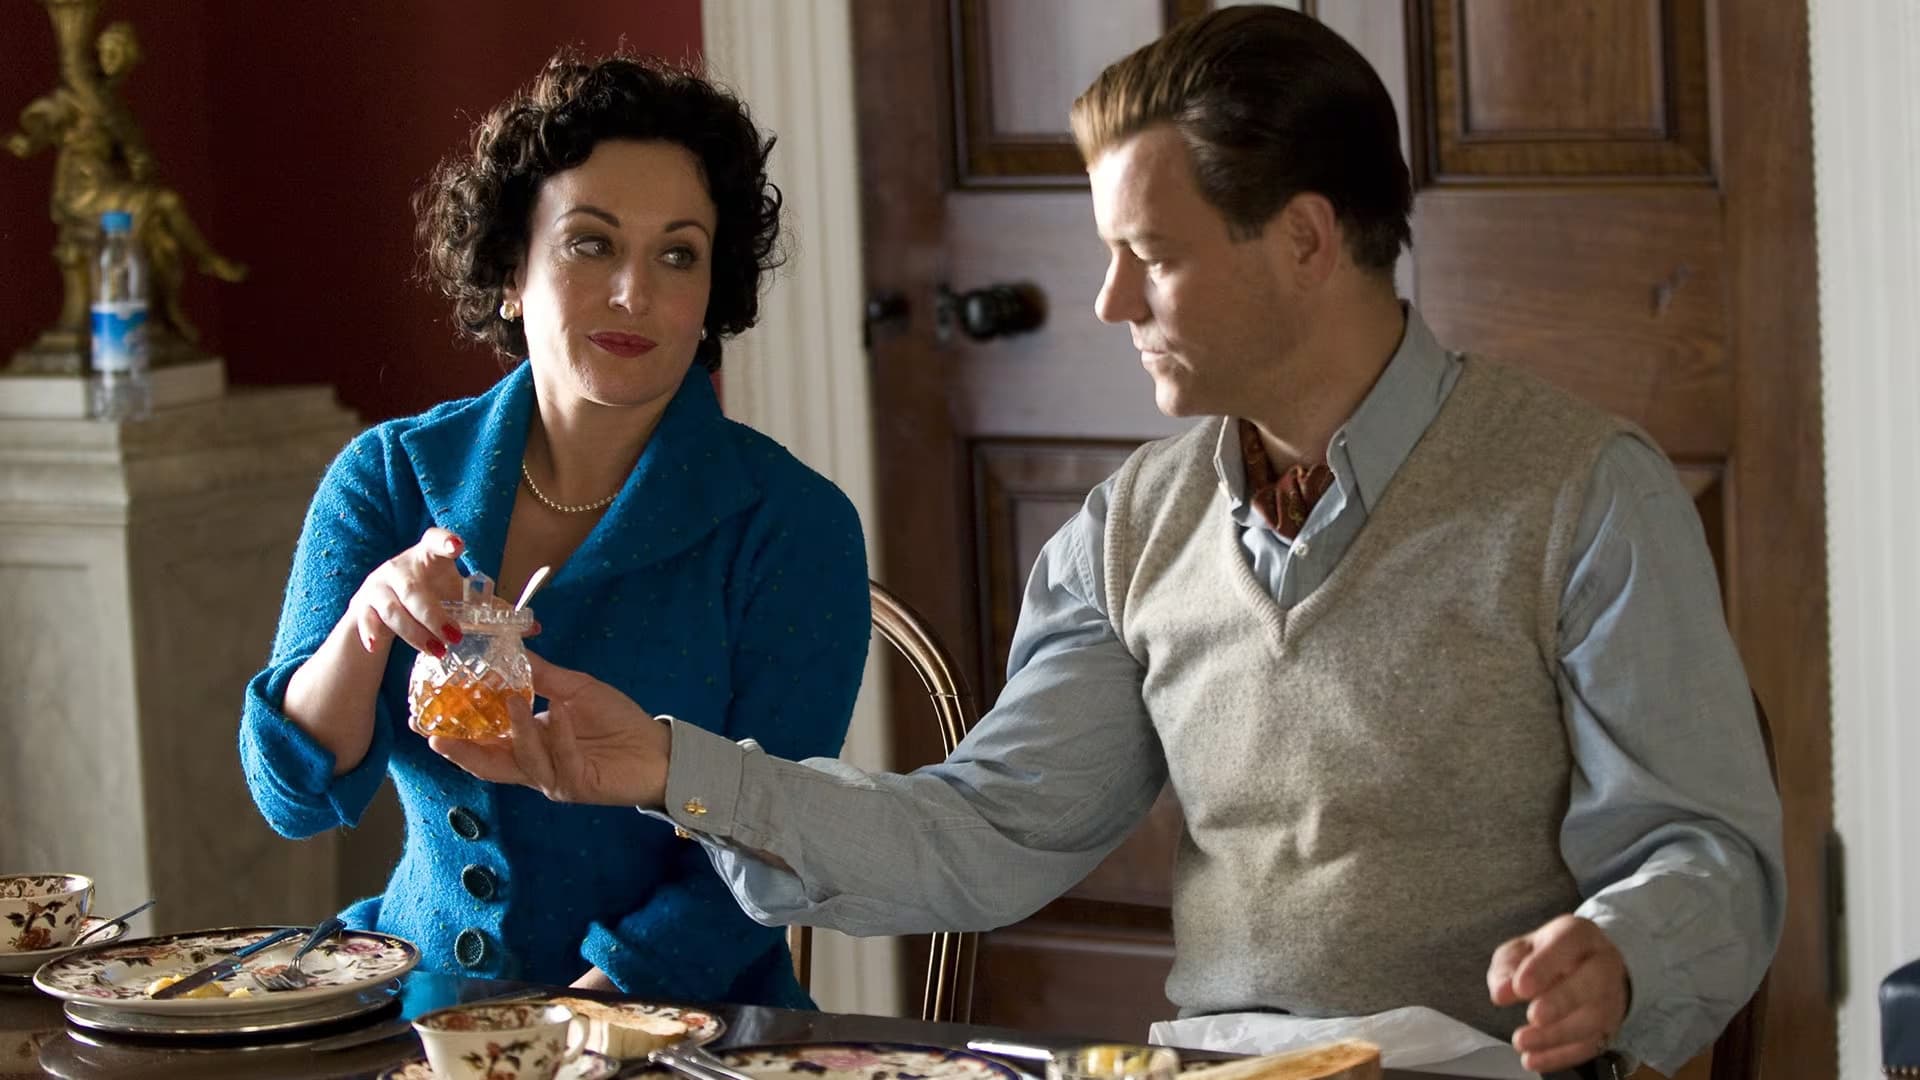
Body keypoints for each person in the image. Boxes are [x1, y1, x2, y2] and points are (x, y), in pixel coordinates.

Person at [434, 9, 1784, 1076]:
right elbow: (986, 833)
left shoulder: (1581, 492)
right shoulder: (1130, 528)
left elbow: (1706, 855)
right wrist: (674, 769)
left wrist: (1618, 952)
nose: (1109, 299)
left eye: (1153, 254)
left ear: (1305, 240)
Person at [238, 50, 870, 1008]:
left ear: (713, 292)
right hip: (412, 1004)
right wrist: (367, 623)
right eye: (590, 244)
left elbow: (771, 847)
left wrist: (572, 1025)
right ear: (510, 271)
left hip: (674, 1022)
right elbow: (289, 796)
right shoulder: (388, 473)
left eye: (678, 254)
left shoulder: (795, 526)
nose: (634, 293)